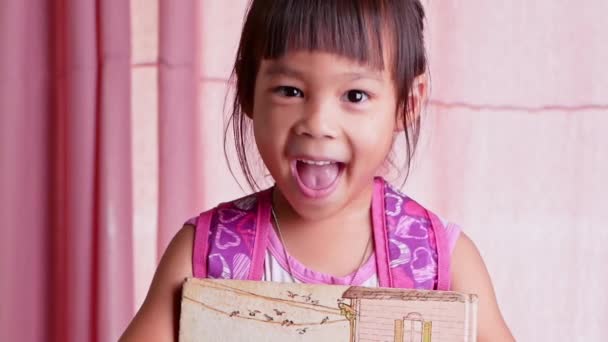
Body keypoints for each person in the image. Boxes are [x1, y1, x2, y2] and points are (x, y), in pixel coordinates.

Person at [121, 1, 514, 340]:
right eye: (290, 91)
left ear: (407, 104)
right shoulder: (203, 257)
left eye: (355, 95)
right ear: (247, 91)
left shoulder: (441, 262)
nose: (317, 122)